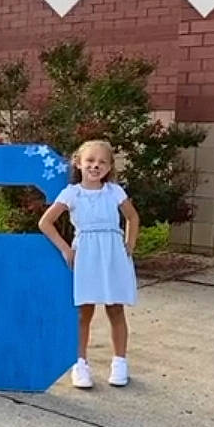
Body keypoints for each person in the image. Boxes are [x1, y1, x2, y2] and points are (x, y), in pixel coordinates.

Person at [38, 139, 139, 388]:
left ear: (110, 166)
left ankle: (120, 362)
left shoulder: (115, 191)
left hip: (113, 253)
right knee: (84, 312)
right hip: (86, 254)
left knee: (115, 309)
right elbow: (45, 223)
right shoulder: (72, 193)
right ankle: (80, 364)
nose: (95, 166)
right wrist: (65, 249)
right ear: (79, 163)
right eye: (90, 161)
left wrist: (130, 243)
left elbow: (132, 217)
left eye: (102, 162)